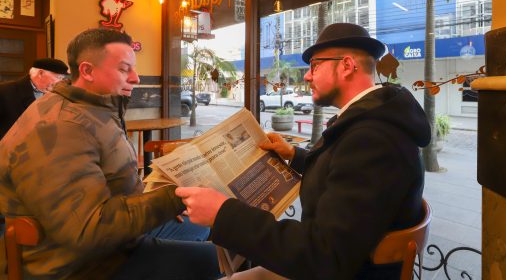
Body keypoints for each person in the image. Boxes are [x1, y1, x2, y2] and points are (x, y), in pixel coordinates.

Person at [176, 23, 432, 279]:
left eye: (315, 65)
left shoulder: (373, 139)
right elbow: (345, 172)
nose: (307, 76)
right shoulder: (371, 121)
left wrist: (224, 214)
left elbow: (324, 256)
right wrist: (294, 155)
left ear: (346, 65)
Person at [0, 28, 220, 279]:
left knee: (210, 225)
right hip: (82, 264)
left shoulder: (94, 107)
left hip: (116, 239)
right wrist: (172, 200)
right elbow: (87, 231)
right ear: (87, 71)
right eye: (125, 69)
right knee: (217, 259)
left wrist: (158, 199)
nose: (136, 78)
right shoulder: (61, 127)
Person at [0, 57, 69, 140]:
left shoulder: (57, 95)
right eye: (58, 77)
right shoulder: (4, 92)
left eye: (62, 79)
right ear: (40, 73)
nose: (60, 82)